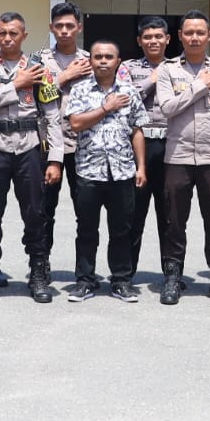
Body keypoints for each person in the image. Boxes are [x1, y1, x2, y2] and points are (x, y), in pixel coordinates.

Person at [0, 12, 65, 304]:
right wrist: (15, 85)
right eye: (2, 33)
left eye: (13, 33)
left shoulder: (40, 69)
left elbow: (51, 115)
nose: (7, 38)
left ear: (24, 35)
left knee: (36, 213)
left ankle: (37, 274)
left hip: (29, 148)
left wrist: (56, 159)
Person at [155, 10, 210, 304]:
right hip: (178, 157)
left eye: (200, 32)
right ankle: (172, 276)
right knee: (174, 219)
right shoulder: (168, 70)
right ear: (180, 36)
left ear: (209, 36)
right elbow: (167, 108)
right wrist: (200, 85)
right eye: (188, 32)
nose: (194, 37)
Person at [65, 40, 149, 302]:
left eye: (108, 57)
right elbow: (76, 123)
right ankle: (85, 281)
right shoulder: (79, 90)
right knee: (87, 230)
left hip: (122, 171)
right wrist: (105, 108)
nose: (102, 61)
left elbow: (137, 130)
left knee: (121, 230)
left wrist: (141, 167)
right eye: (97, 56)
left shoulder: (130, 92)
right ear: (90, 60)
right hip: (88, 172)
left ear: (118, 61)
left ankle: (121, 280)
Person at [35, 2, 91, 262]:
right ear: (51, 28)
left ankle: (84, 272)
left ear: (79, 27)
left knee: (85, 212)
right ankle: (41, 265)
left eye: (70, 26)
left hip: (84, 145)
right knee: (43, 210)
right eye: (59, 26)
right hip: (47, 145)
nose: (65, 31)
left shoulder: (92, 61)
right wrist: (65, 76)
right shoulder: (38, 60)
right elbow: (36, 97)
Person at [123, 16, 172, 279]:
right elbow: (124, 98)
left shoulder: (178, 67)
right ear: (139, 41)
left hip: (170, 146)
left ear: (168, 39)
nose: (153, 41)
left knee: (169, 215)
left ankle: (171, 274)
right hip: (138, 146)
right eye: (148, 37)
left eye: (158, 36)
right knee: (134, 214)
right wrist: (153, 79)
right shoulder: (127, 68)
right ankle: (126, 274)